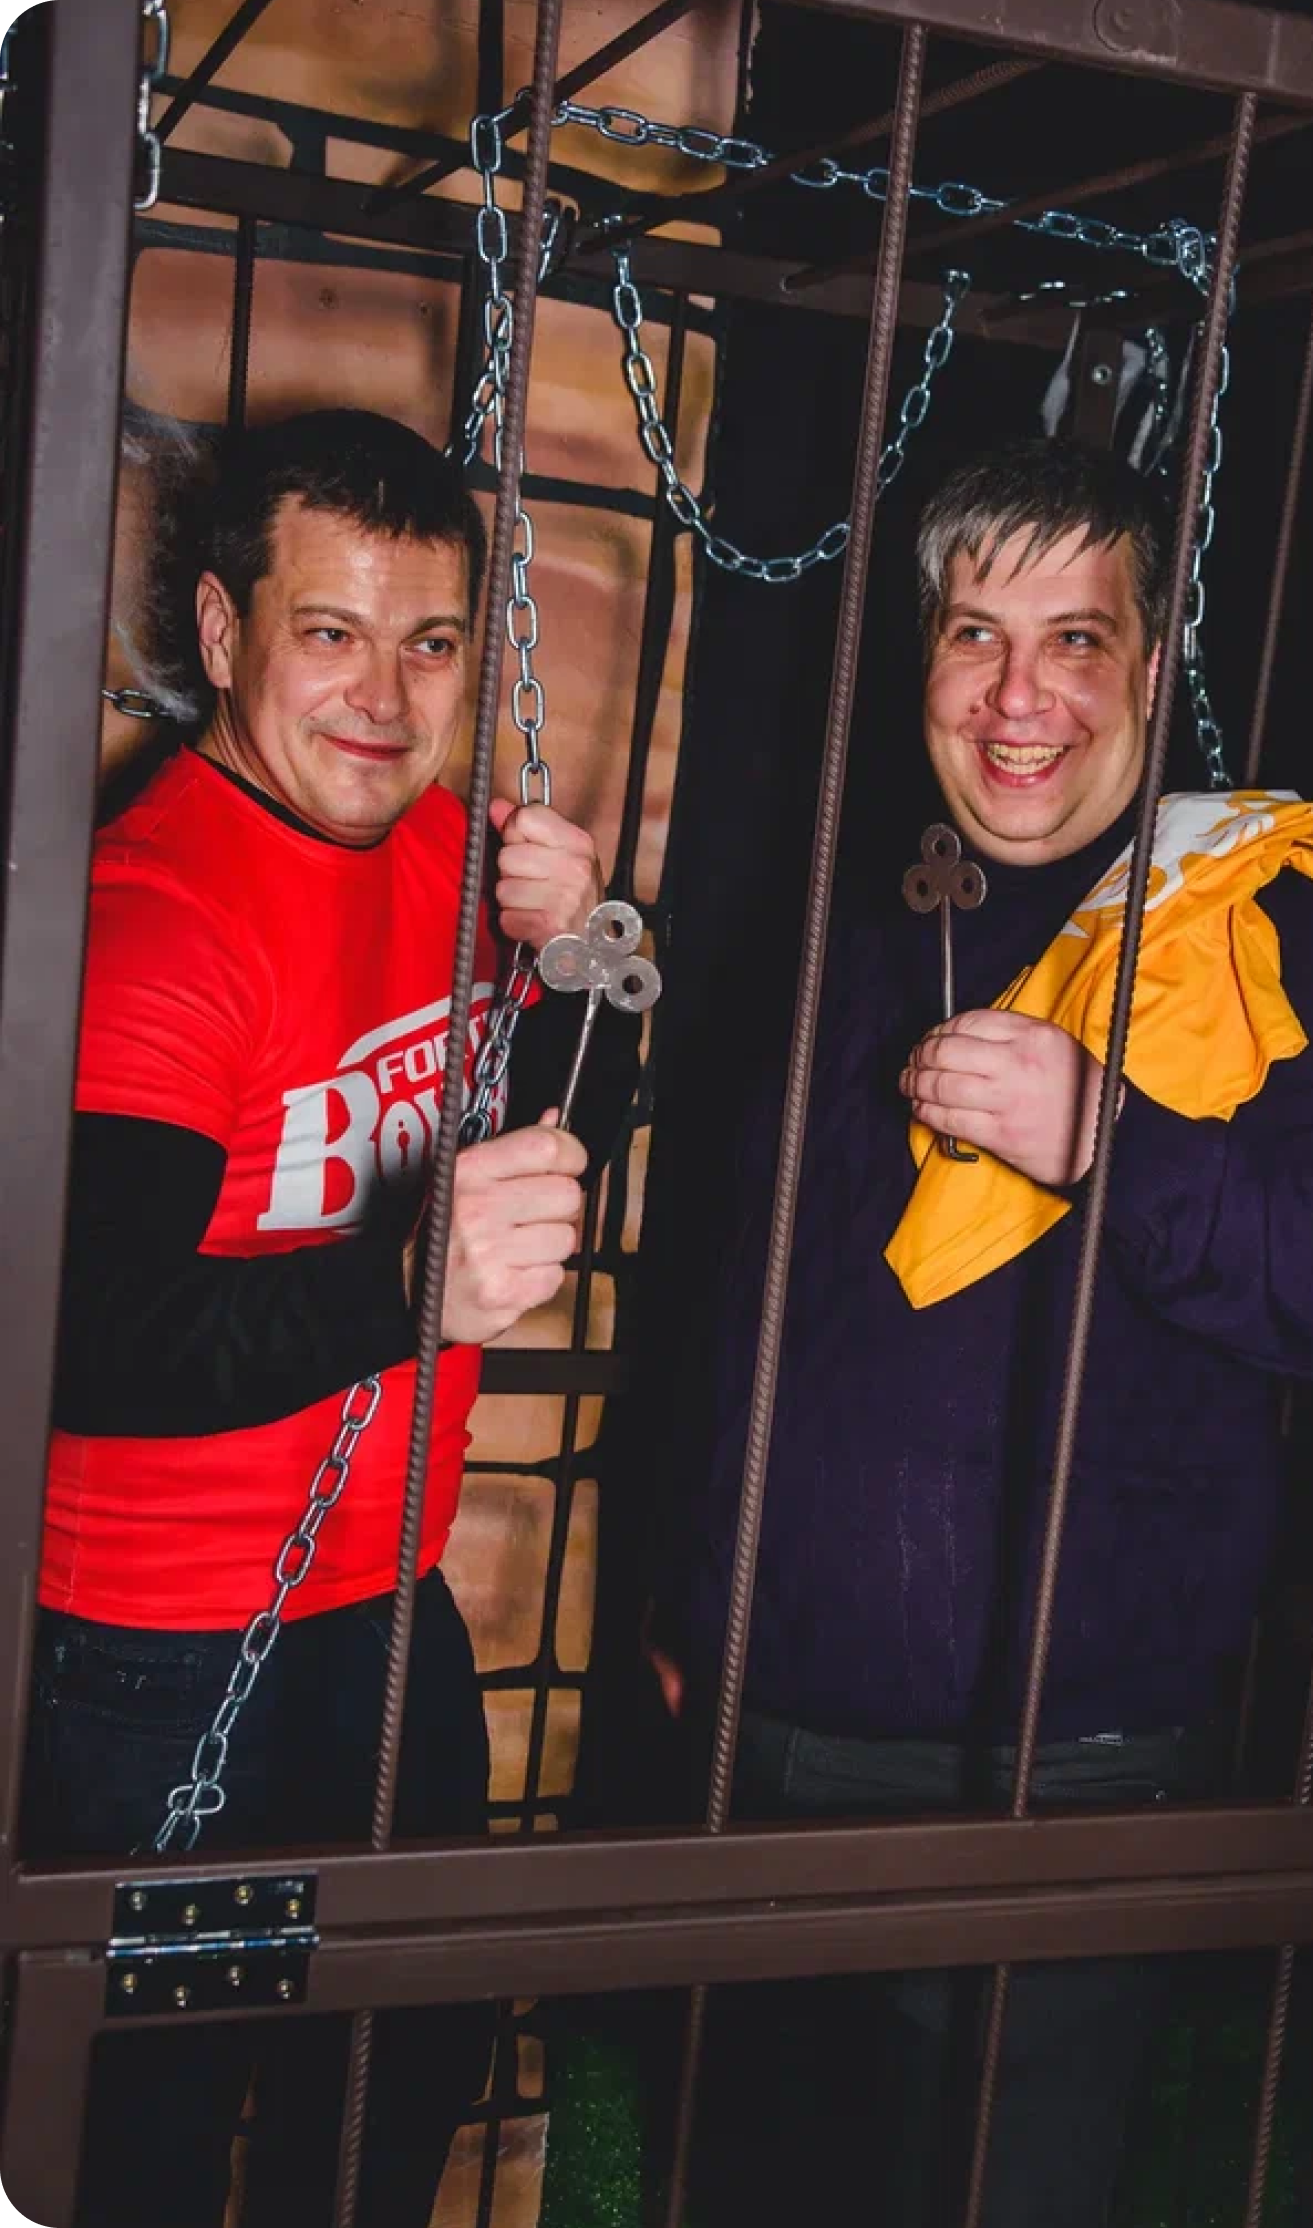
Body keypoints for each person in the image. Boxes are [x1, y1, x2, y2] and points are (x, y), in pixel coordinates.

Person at [641, 438, 1313, 2228]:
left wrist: (1114, 1138)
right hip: (757, 1754)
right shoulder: (867, 907)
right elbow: (752, 1291)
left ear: (1152, 669)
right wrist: (693, 1605)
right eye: (975, 635)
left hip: (1056, 1781)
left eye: (1075, 640)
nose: (1019, 697)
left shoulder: (1279, 927)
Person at [26, 408, 640, 2228]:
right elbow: (91, 1338)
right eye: (332, 632)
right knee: (137, 2129)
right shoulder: (156, 919)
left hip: (386, 1590)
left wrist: (589, 959)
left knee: (400, 2067)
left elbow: (557, 1158)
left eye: (431, 642)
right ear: (225, 635)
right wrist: (399, 1290)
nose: (384, 696)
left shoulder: (451, 855)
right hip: (155, 1647)